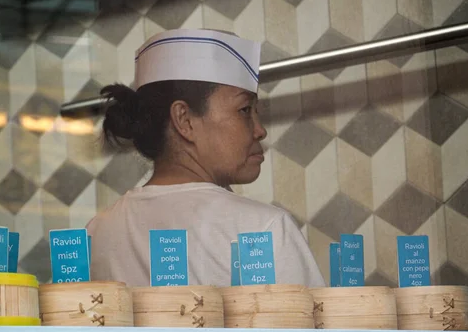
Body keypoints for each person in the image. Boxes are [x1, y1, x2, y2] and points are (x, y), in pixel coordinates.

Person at [86, 28, 325, 288]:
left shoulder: (96, 233)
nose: (260, 129)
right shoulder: (263, 230)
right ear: (184, 120)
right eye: (245, 110)